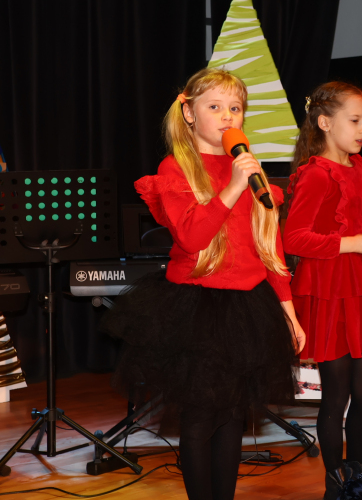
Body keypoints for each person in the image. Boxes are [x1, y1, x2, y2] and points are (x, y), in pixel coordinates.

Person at [101, 67, 304, 500]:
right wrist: (232, 187)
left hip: (248, 308)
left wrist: (288, 312)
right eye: (215, 106)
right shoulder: (176, 168)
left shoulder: (250, 171)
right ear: (189, 113)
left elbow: (270, 250)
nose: (228, 116)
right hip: (197, 310)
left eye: (236, 108)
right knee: (199, 418)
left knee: (232, 417)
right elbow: (193, 237)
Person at [283, 82, 362, 500]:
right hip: (331, 291)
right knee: (336, 393)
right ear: (324, 122)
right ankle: (336, 483)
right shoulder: (316, 174)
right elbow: (294, 238)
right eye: (354, 120)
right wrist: (354, 243)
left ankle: (358, 476)